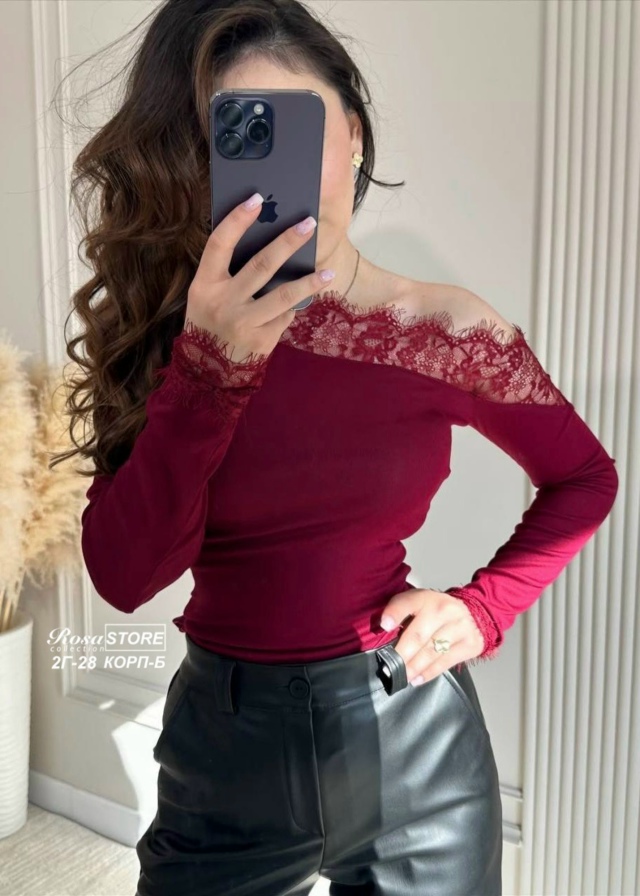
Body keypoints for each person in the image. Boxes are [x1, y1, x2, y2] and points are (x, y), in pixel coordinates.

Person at [52, 0, 618, 893]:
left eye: (295, 127)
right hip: (222, 757)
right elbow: (125, 578)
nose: (267, 167)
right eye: (235, 138)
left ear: (352, 132)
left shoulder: (441, 330)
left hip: (414, 749)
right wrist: (209, 371)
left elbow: (585, 476)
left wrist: (482, 609)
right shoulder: (168, 337)